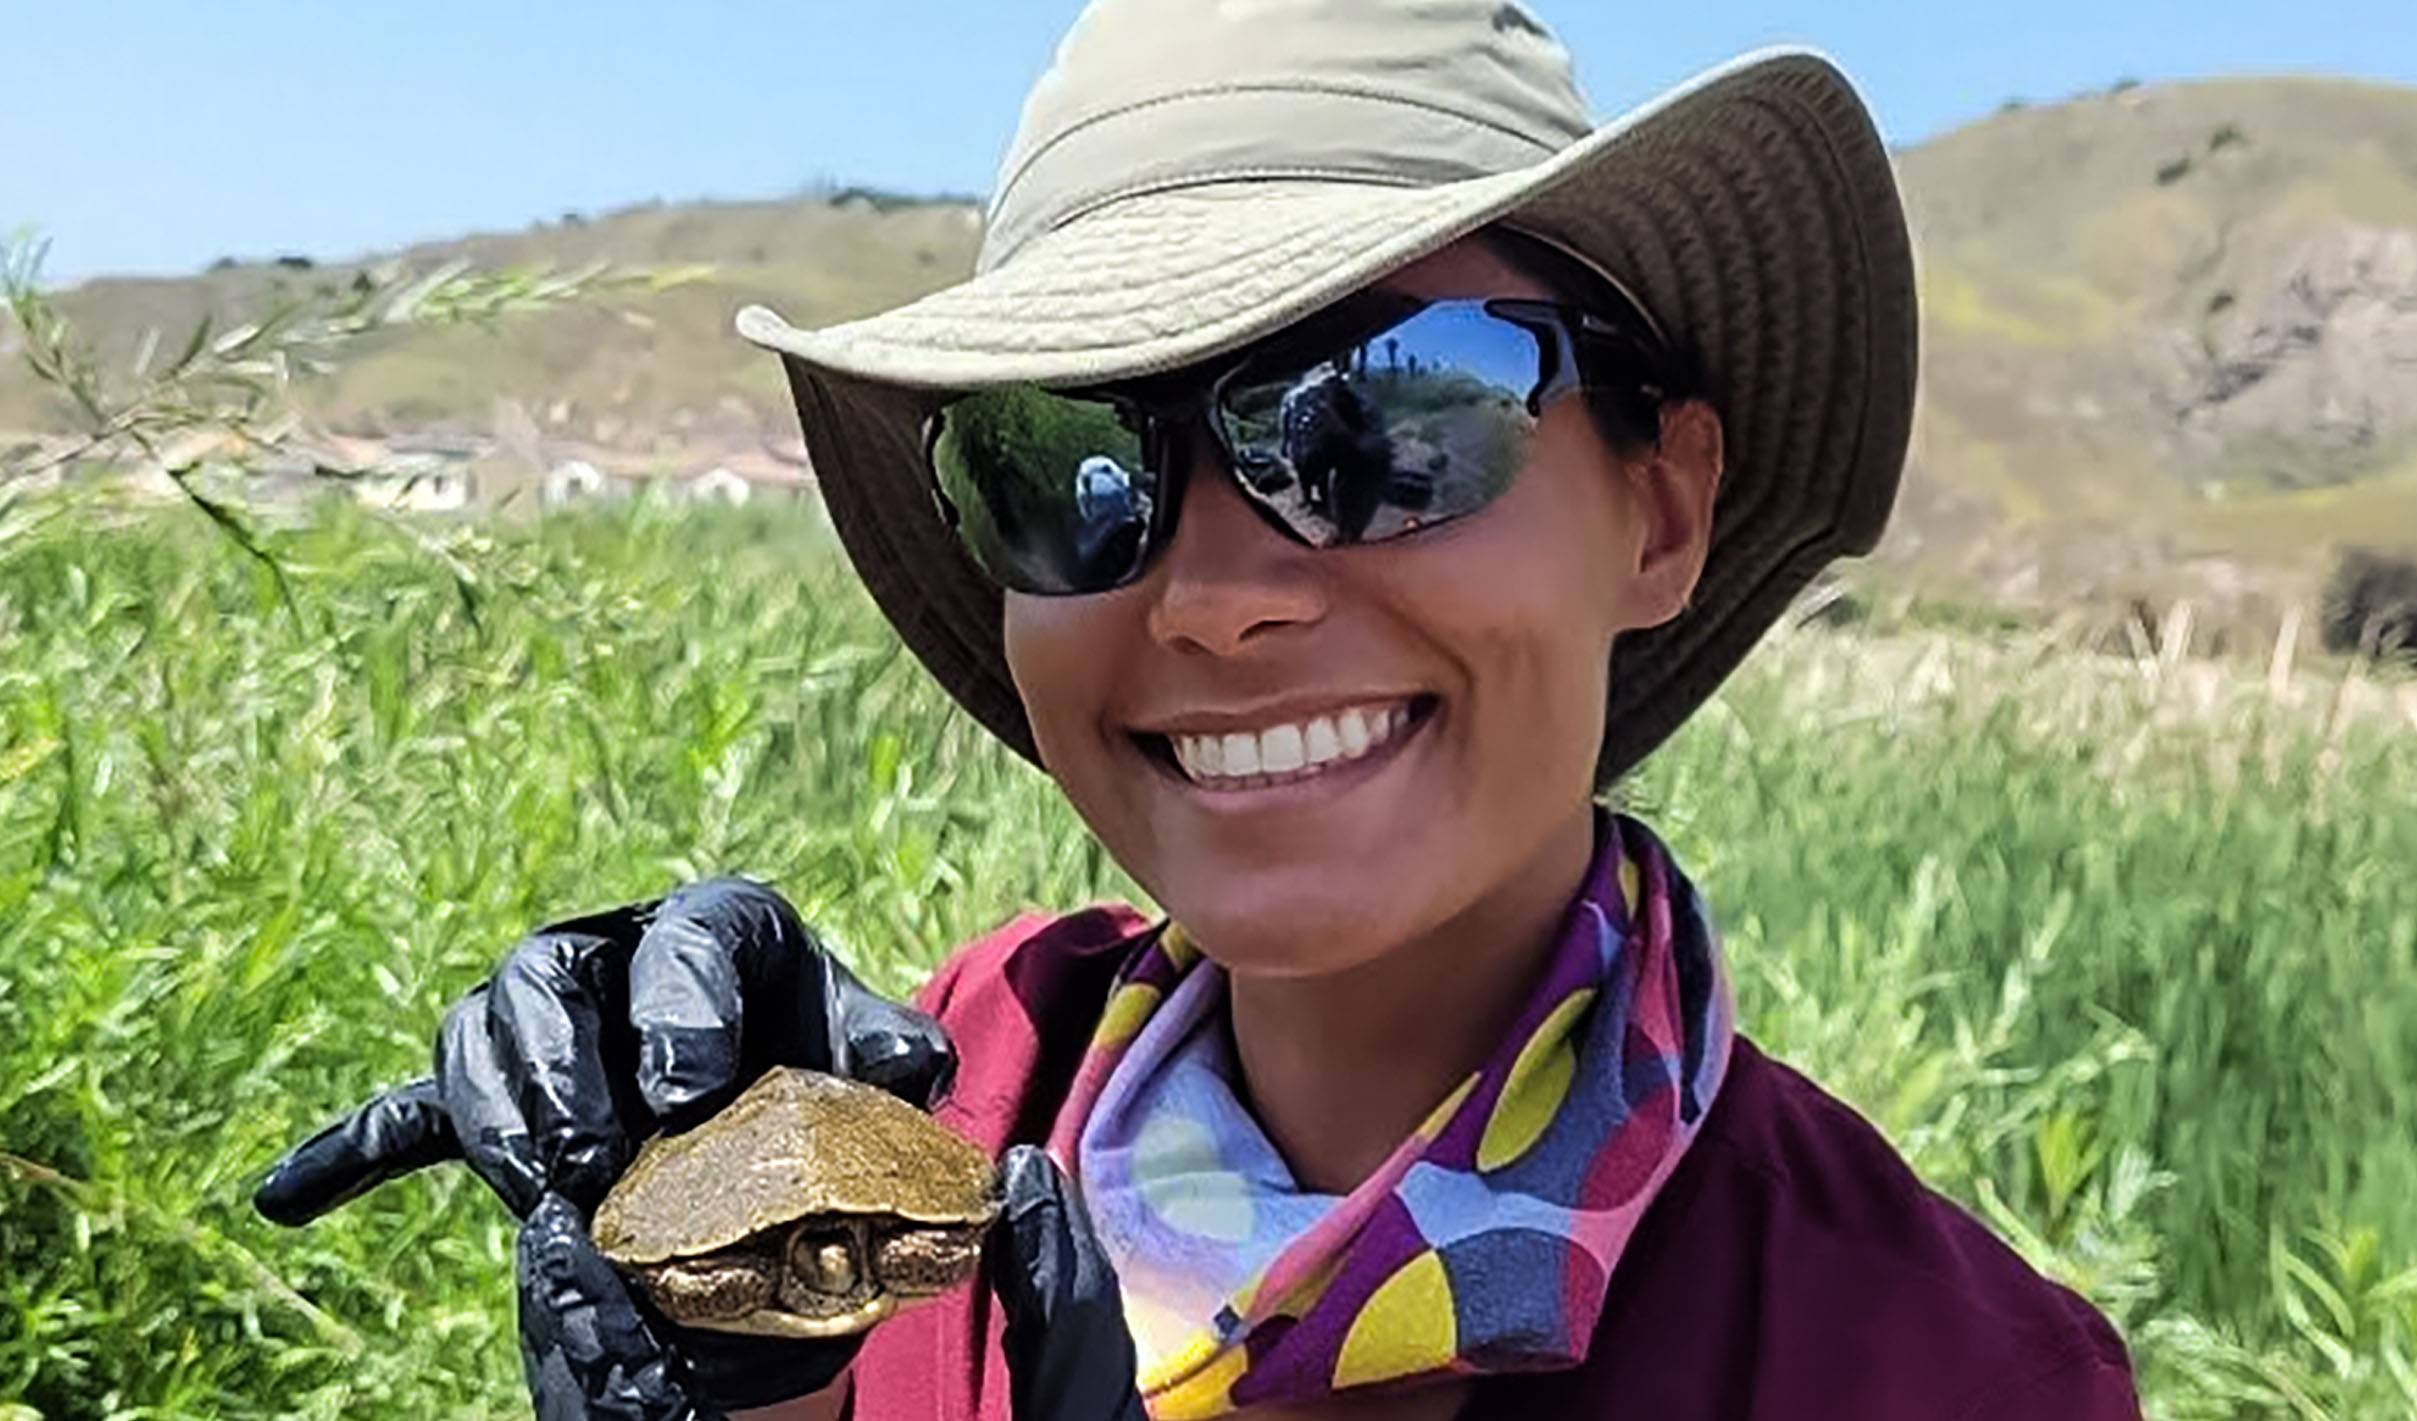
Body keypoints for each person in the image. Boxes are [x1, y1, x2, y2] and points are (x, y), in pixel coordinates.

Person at [254, 3, 2145, 1418]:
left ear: (1658, 504)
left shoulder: (1924, 1367)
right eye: (1063, 458)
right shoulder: (958, 1090)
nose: (1221, 594)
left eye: (1394, 419)